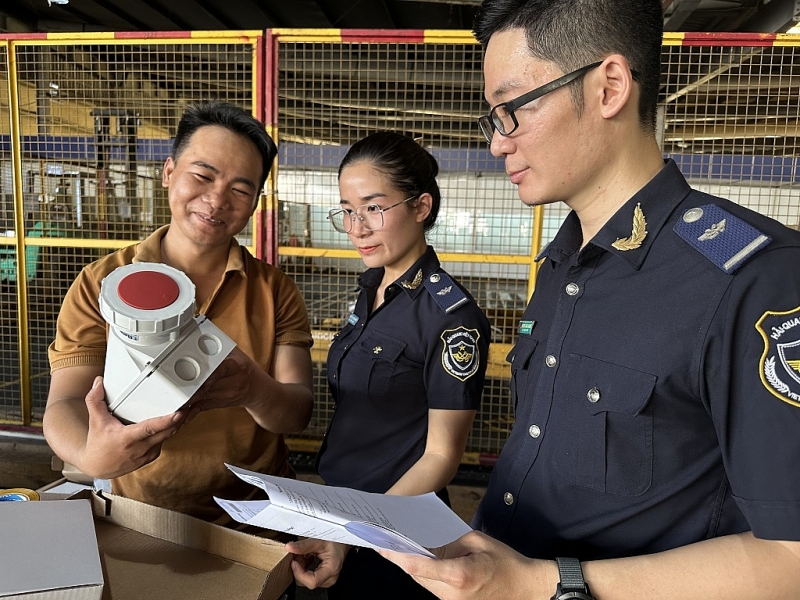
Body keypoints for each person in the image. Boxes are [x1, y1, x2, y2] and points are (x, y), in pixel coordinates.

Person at [374, 1, 800, 598]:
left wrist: (548, 584)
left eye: (513, 109)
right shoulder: (562, 265)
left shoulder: (752, 278)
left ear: (609, 87)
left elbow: (791, 557)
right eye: (492, 118)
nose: (498, 144)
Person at [43, 101, 314, 525]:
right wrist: (89, 454)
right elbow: (65, 401)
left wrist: (253, 390)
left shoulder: (275, 290)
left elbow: (296, 413)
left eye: (241, 189)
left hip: (258, 516)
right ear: (168, 172)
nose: (217, 199)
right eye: (202, 175)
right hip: (145, 514)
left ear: (256, 202)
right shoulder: (105, 282)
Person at [285, 131, 491, 599]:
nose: (357, 227)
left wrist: (357, 531)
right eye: (348, 210)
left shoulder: (452, 318)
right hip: (340, 510)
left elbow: (440, 457)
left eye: (374, 208)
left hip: (396, 534)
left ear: (420, 208)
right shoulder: (368, 291)